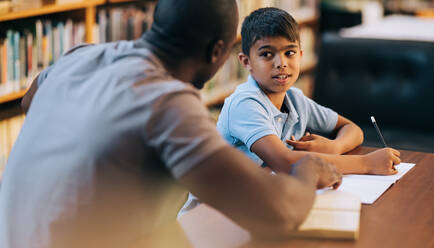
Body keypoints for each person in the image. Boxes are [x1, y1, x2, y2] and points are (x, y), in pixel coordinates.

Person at [0, 1, 342, 247]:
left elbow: (31, 101)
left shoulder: (80, 56)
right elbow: (278, 212)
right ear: (218, 52)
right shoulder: (166, 103)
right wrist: (308, 170)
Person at [217, 7, 401, 175]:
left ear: (301, 55)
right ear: (246, 62)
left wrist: (335, 146)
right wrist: (366, 164)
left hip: (265, 196)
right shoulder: (245, 104)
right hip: (217, 208)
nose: (281, 63)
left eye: (289, 53)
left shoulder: (294, 99)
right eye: (266, 54)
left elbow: (352, 129)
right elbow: (285, 162)